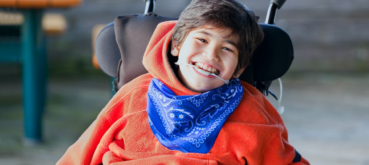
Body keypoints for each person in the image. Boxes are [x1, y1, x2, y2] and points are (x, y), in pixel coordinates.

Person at [57, 0, 310, 164]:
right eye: (201, 40)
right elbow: (80, 155)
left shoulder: (253, 113)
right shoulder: (134, 94)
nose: (211, 55)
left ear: (239, 69)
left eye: (227, 49)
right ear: (176, 45)